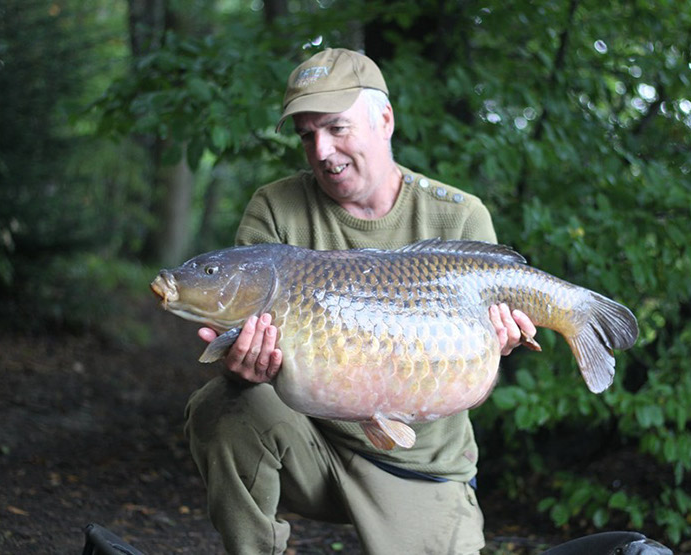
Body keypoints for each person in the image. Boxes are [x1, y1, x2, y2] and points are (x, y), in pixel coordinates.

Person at [184, 47, 537, 555]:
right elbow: (244, 360)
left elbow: (477, 375)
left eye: (337, 128)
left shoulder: (458, 218)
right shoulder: (275, 208)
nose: (322, 150)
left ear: (385, 120)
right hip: (306, 441)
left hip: (416, 465)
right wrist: (243, 365)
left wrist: (493, 345)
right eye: (308, 135)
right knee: (222, 405)